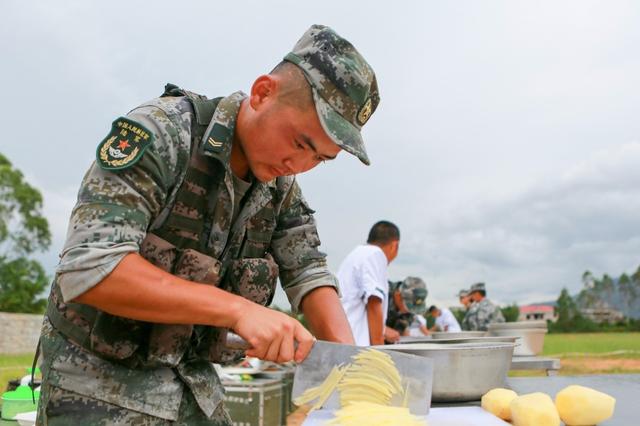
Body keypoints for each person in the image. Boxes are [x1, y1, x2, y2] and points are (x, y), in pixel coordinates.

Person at [36, 24, 380, 425]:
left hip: (194, 392)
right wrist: (237, 310)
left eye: (320, 158)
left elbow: (309, 272)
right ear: (262, 92)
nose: (299, 165)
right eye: (301, 142)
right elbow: (91, 267)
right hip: (96, 392)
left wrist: (354, 372)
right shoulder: (163, 132)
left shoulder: (280, 187)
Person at [337, 221, 400, 346]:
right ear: (395, 245)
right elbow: (373, 302)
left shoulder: (357, 255)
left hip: (342, 341)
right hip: (355, 348)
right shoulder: (375, 255)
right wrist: (380, 352)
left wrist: (383, 329)